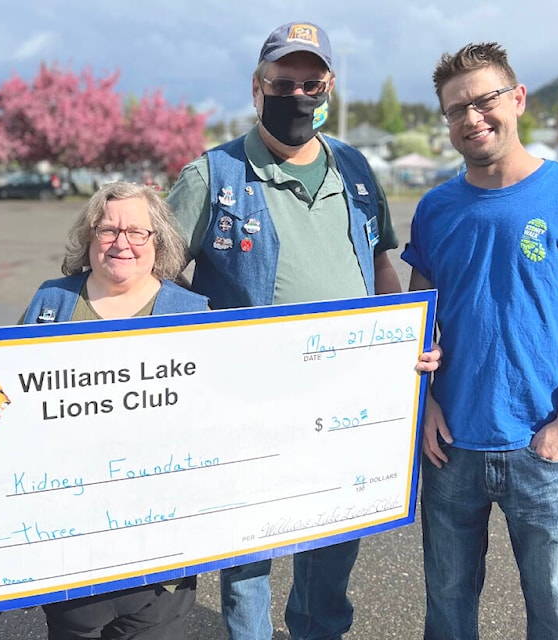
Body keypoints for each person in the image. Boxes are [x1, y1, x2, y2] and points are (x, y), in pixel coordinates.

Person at [166, 20, 439, 640]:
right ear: (257, 87)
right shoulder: (211, 176)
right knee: (247, 556)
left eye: (310, 84)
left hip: (344, 399)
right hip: (248, 405)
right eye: (282, 83)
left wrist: (404, 342)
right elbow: (156, 281)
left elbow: (379, 266)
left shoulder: (355, 168)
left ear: (330, 87)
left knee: (333, 538)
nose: (298, 96)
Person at [401, 42, 558, 639]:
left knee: (557, 614)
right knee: (448, 611)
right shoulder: (434, 210)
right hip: (450, 448)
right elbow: (418, 322)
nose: (472, 118)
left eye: (484, 101)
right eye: (456, 109)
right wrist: (425, 405)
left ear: (519, 99)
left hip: (542, 443)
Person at [17, 181, 206, 639]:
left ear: (157, 241)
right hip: (72, 544)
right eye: (108, 229)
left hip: (160, 559)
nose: (122, 242)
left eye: (137, 232)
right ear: (89, 237)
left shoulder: (192, 311)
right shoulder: (52, 303)